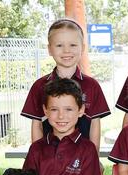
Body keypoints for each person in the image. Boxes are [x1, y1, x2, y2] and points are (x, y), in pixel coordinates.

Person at [21, 18, 110, 151]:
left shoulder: (92, 86)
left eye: (73, 45)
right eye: (59, 45)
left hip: (82, 162)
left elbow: (95, 125)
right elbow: (37, 125)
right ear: (50, 49)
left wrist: (94, 159)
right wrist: (37, 159)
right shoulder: (39, 86)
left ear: (83, 48)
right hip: (49, 161)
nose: (66, 50)